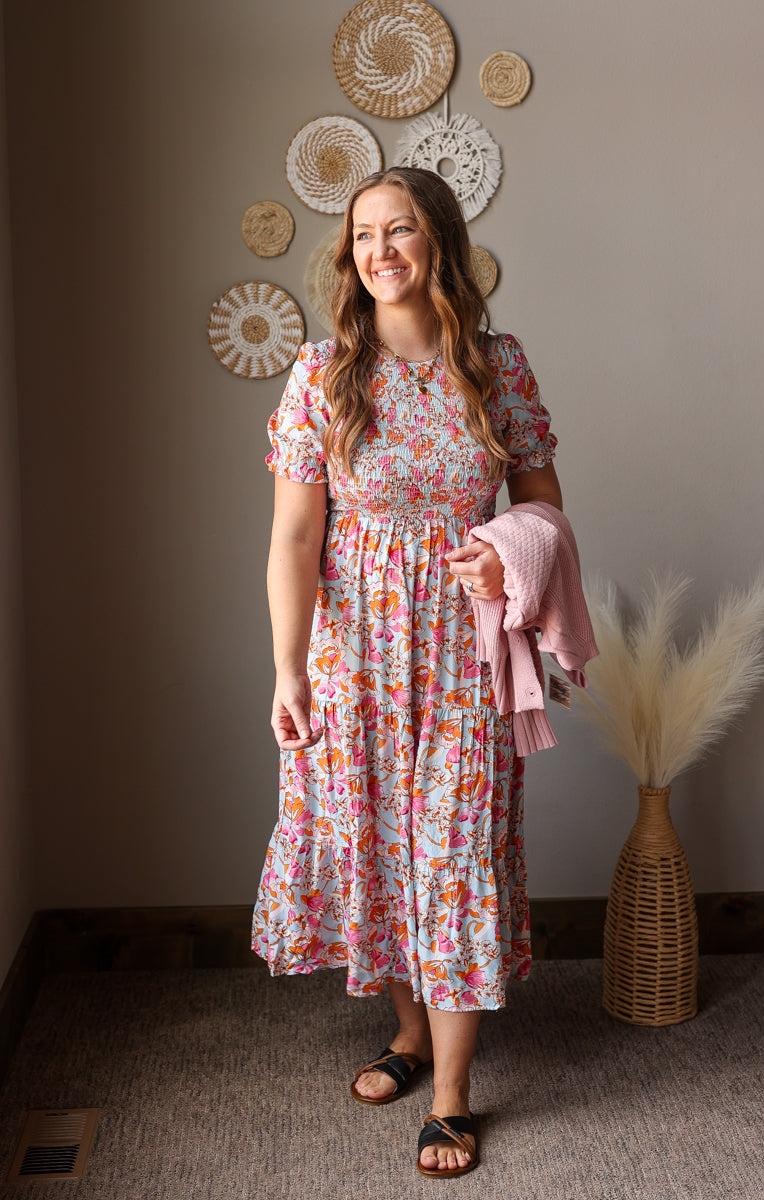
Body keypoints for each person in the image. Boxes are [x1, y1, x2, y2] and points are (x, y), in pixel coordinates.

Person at [251, 166, 563, 1177]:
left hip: (469, 649)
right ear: (350, 254)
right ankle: (410, 1031)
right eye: (364, 234)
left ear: (438, 244)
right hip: (356, 654)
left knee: (457, 853)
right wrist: (288, 670)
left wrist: (506, 554)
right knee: (377, 845)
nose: (380, 250)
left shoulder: (496, 366)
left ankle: (454, 1095)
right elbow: (294, 538)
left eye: (401, 230)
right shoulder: (322, 372)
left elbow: (545, 512)